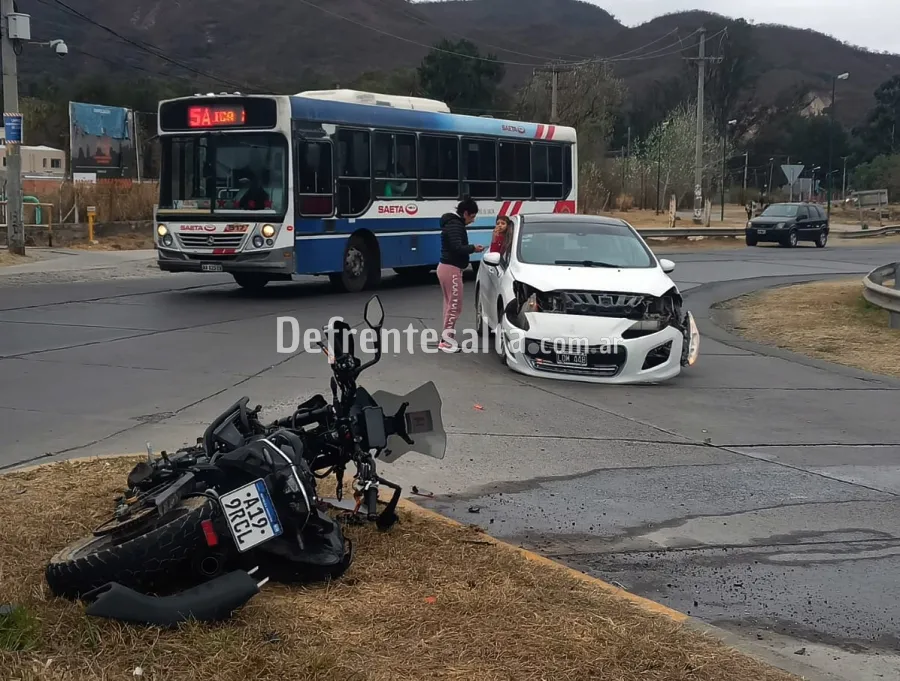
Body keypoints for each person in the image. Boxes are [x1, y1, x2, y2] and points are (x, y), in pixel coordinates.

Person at [437, 196, 483, 352]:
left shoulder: (451, 223)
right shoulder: (455, 225)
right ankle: (446, 341)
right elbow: (457, 247)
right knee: (455, 306)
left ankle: (446, 338)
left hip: (446, 267)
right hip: (452, 269)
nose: (473, 220)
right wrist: (473, 248)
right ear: (465, 213)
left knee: (449, 304)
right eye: (472, 216)